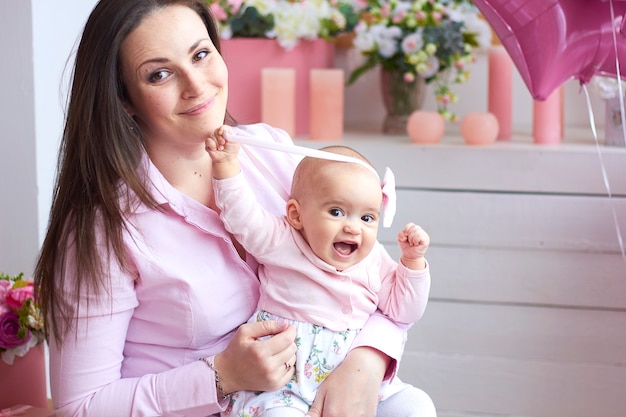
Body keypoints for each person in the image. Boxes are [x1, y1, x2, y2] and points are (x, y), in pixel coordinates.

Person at [33, 0, 437, 416]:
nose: (196, 85)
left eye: (201, 54)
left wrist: (367, 361)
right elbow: (80, 407)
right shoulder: (104, 228)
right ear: (125, 100)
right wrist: (220, 376)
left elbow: (373, 276)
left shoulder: (278, 155)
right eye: (160, 74)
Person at [205, 127, 432, 416]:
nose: (353, 227)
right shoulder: (283, 240)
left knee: (416, 406)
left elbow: (404, 311)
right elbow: (242, 217)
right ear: (296, 215)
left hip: (355, 380)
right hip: (286, 383)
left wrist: (412, 264)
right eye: (336, 212)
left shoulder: (374, 260)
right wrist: (226, 167)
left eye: (367, 217)